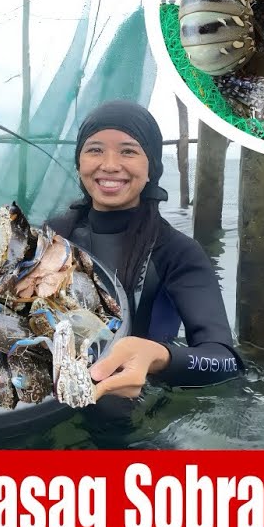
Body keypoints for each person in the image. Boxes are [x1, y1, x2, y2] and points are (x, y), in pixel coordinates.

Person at [44, 100, 245, 404]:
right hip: (46, 396)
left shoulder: (177, 251)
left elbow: (227, 362)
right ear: (79, 163)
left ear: (151, 166)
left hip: (136, 415)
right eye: (95, 150)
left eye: (128, 151)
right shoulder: (52, 237)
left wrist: (159, 358)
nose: (110, 164)